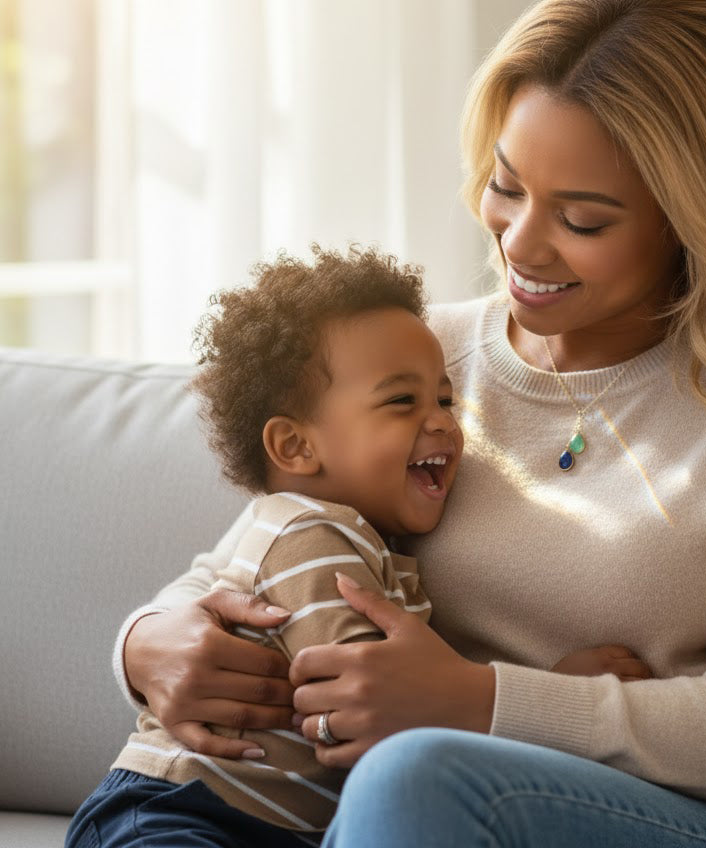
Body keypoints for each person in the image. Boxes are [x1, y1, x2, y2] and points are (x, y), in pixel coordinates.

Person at [111, 0, 706, 848]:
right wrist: (146, 642)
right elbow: (275, 543)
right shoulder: (418, 359)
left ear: (695, 220)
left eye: (582, 220)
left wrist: (480, 702)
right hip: (413, 810)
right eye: (507, 186)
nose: (519, 242)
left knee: (412, 776)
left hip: (689, 821)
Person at [68, 244, 650, 848]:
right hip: (179, 812)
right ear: (295, 447)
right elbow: (380, 716)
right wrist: (552, 689)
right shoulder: (311, 536)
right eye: (402, 402)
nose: (443, 422)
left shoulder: (358, 543)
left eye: (445, 400)